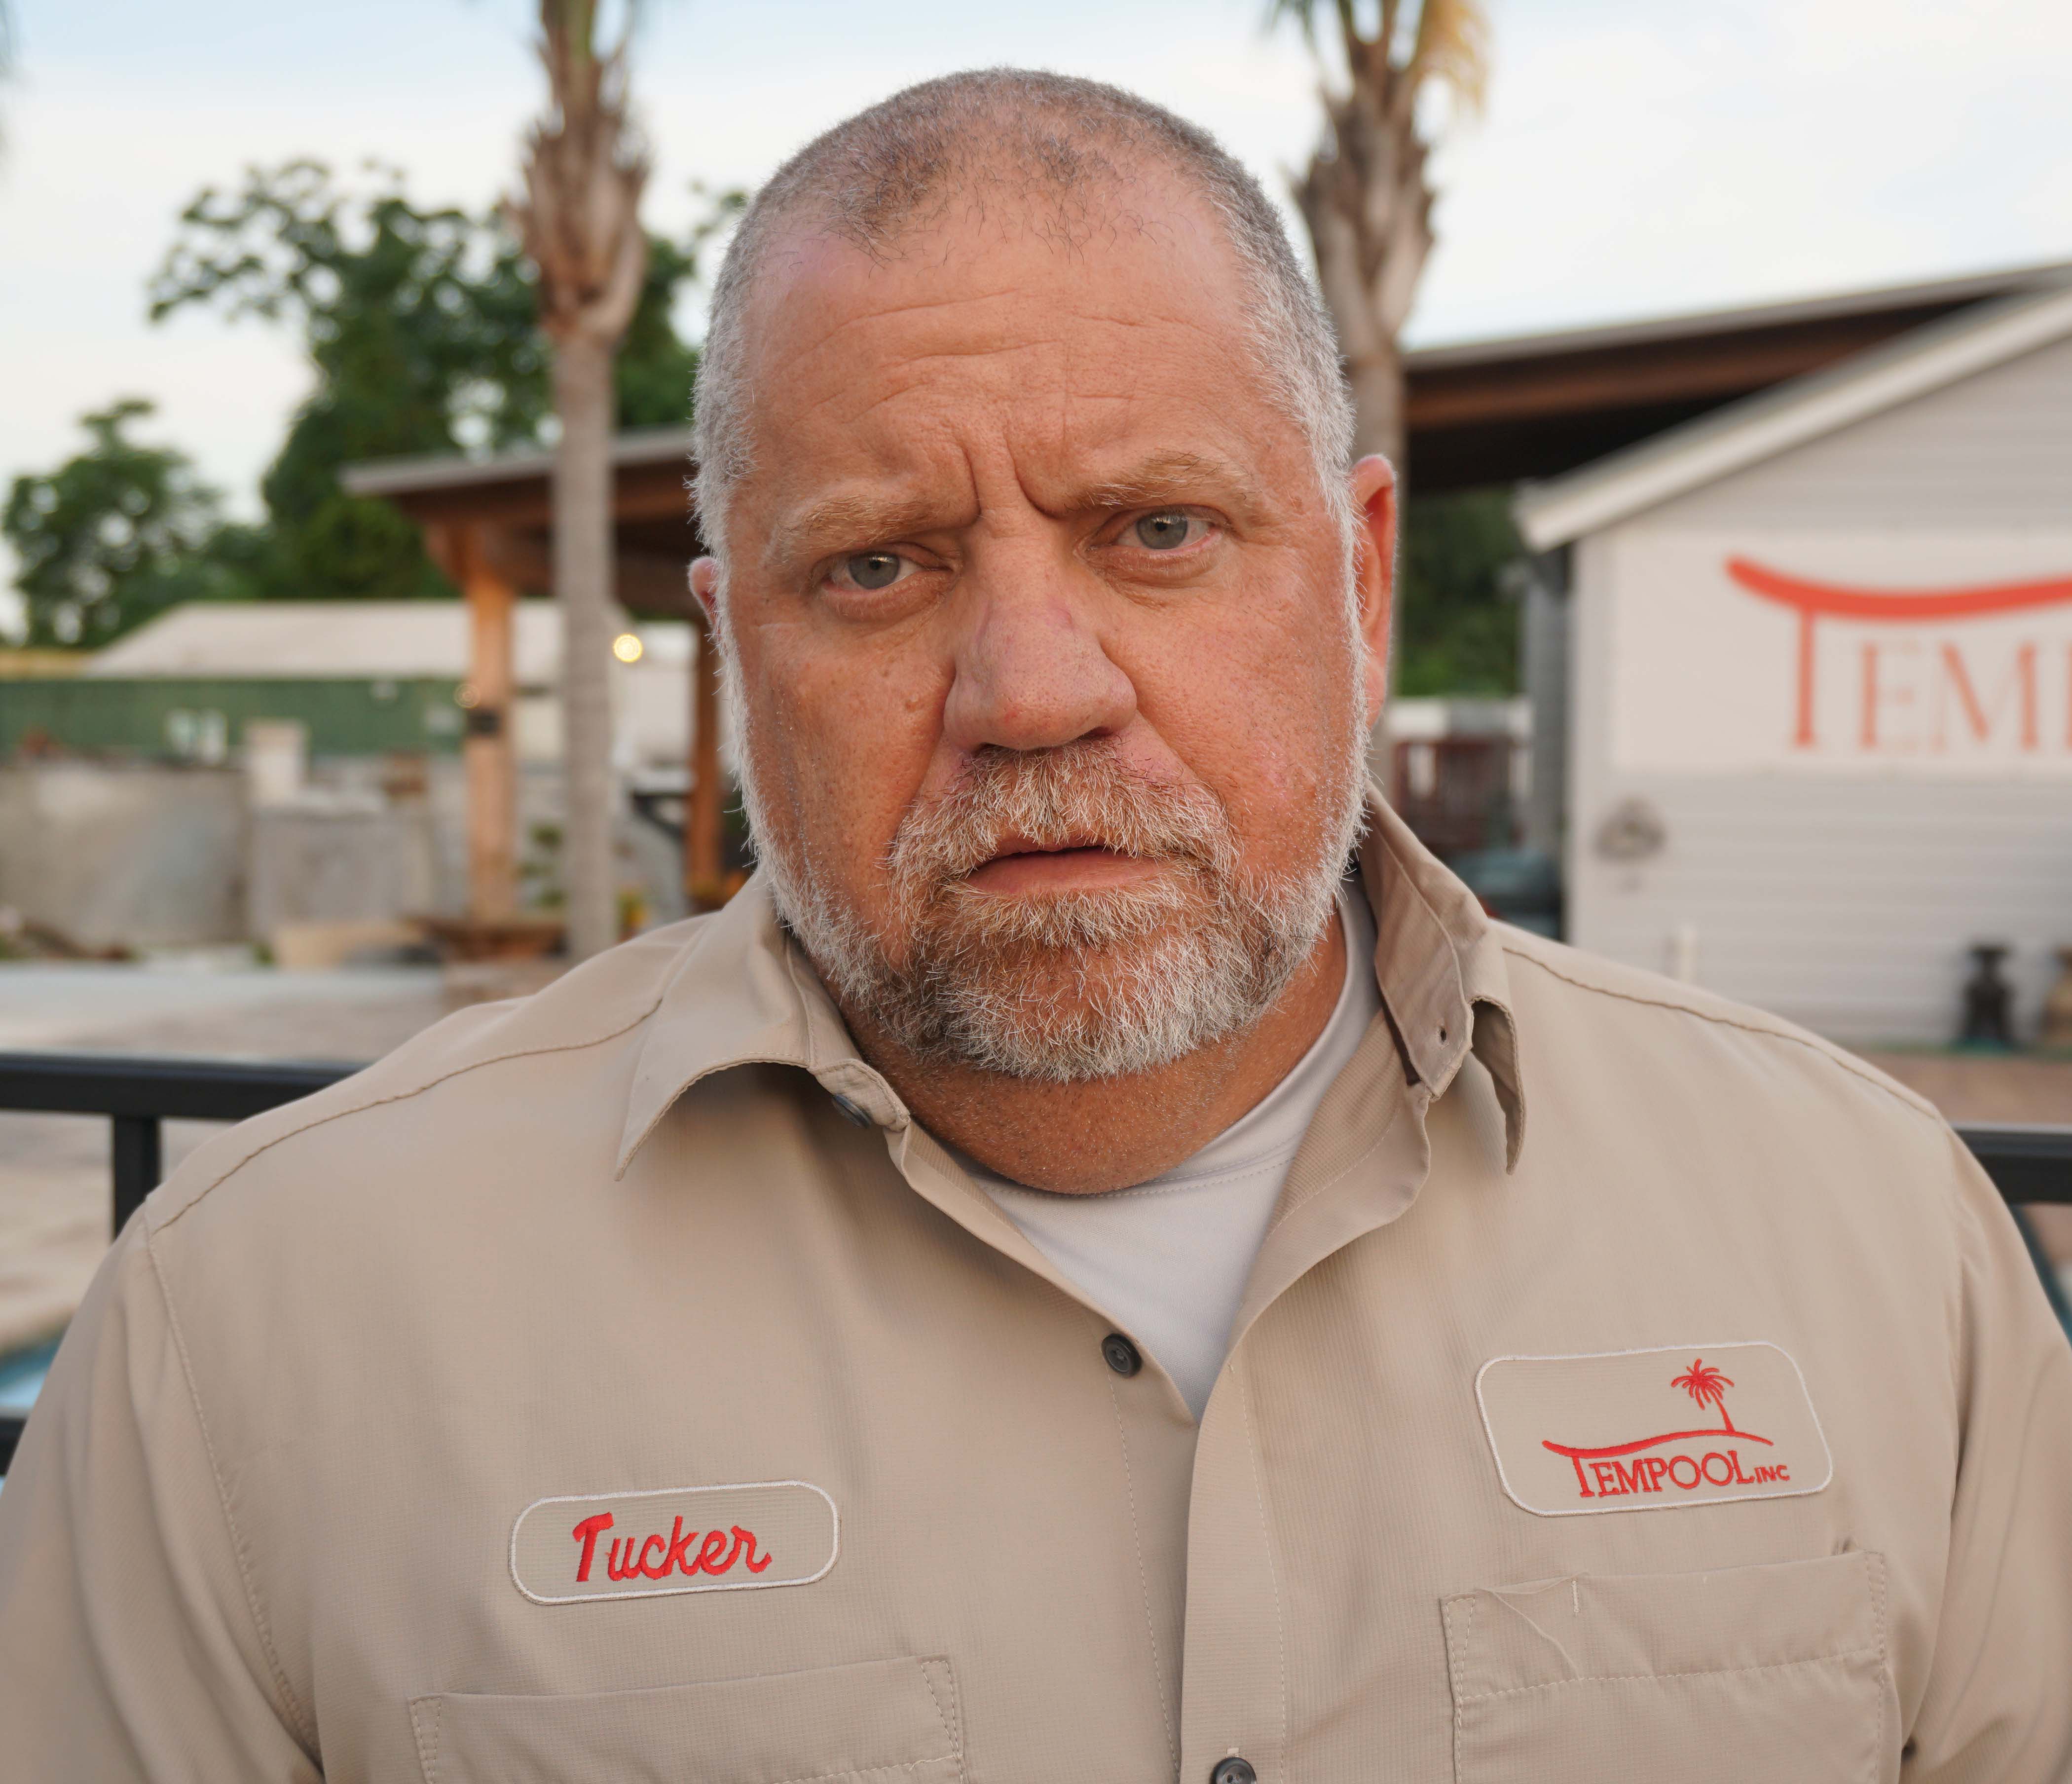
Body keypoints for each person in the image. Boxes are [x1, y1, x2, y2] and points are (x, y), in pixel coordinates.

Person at [0, 70, 2067, 1784]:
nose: (1033, 690)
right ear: (734, 653)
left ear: (1357, 586)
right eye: (880, 566)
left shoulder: (1879, 1244)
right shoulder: (258, 1341)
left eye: (1158, 530)